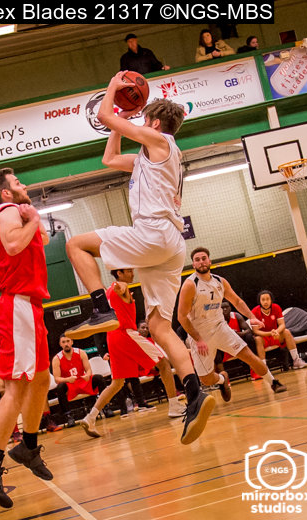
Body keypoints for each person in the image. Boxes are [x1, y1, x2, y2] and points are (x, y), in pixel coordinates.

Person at [64, 72, 215, 446]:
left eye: (143, 119)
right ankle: (194, 394)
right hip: (169, 245)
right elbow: (109, 157)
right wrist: (121, 116)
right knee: (160, 327)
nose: (140, 124)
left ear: (155, 124)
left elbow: (103, 117)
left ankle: (101, 309)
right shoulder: (148, 158)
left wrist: (113, 89)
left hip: (154, 233)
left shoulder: (161, 141)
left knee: (76, 245)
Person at [0, 168, 55, 508]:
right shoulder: (6, 211)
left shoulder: (16, 213)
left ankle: (29, 446)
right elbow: (15, 244)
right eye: (18, 183)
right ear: (5, 193)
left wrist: (33, 217)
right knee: (17, 387)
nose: (25, 185)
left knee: (42, 379)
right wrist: (31, 218)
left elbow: (42, 239)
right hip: (17, 303)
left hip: (29, 305)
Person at [79, 269, 186, 437]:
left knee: (117, 383)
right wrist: (122, 288)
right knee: (164, 364)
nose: (132, 273)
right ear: (119, 273)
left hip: (112, 337)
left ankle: (90, 417)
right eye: (128, 271)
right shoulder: (120, 286)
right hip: (126, 333)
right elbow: (121, 287)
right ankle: (174, 406)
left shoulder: (107, 292)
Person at [177, 248, 287, 401]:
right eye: (197, 260)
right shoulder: (190, 285)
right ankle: (222, 380)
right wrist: (198, 339)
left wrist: (251, 317)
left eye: (204, 258)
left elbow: (237, 301)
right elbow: (181, 317)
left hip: (220, 328)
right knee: (206, 379)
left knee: (249, 355)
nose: (201, 262)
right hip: (201, 336)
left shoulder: (220, 281)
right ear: (193, 264)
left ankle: (273, 382)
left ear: (209, 261)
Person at [52, 336, 114, 422]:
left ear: (72, 342)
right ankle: (68, 416)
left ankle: (106, 407)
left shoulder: (80, 352)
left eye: (68, 341)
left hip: (82, 381)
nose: (66, 344)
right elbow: (57, 379)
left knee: (99, 378)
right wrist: (68, 379)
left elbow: (88, 370)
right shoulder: (56, 358)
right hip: (69, 384)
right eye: (63, 342)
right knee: (60, 387)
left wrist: (87, 375)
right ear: (60, 344)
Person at [252, 290, 307, 370]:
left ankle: (296, 361)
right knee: (257, 339)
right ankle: (264, 368)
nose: (265, 302)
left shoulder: (276, 307)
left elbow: (282, 324)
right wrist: (270, 333)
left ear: (271, 300)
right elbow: (255, 331)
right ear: (259, 301)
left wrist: (276, 332)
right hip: (264, 338)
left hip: (275, 335)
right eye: (263, 299)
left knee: (286, 332)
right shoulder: (254, 311)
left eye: (267, 299)